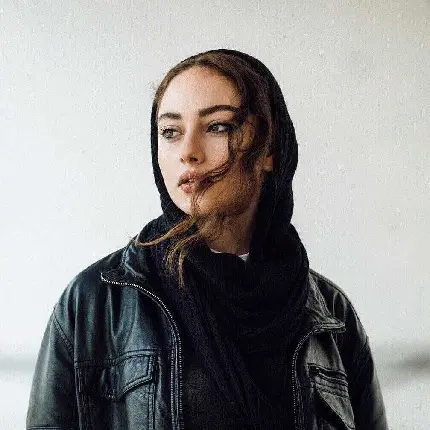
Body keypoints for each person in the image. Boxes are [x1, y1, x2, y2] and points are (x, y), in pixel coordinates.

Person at [27, 49, 388, 429]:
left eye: (217, 127)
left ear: (270, 148)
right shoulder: (93, 303)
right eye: (170, 132)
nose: (188, 153)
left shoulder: (331, 315)